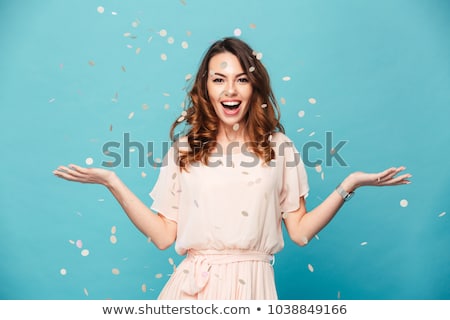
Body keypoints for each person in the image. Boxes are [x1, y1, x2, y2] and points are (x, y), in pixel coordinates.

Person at [53, 37, 411, 299]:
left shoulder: (279, 149)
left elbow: (299, 232)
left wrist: (348, 185)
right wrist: (113, 181)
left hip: (255, 288)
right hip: (192, 292)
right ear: (205, 87)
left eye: (241, 78)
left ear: (254, 86)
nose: (231, 89)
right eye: (219, 79)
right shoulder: (185, 150)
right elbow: (164, 236)